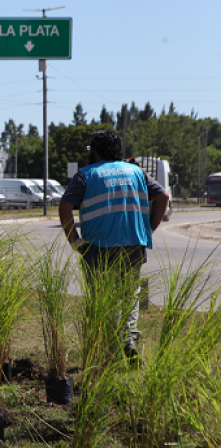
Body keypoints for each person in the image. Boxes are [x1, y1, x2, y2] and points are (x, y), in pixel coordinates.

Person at [58, 130, 169, 357]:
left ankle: (110, 352)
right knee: (130, 296)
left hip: (97, 247)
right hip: (133, 244)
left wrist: (75, 242)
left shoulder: (86, 175)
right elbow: (163, 197)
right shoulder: (137, 172)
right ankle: (129, 341)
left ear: (96, 151)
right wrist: (149, 228)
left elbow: (65, 207)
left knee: (103, 299)